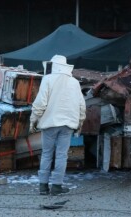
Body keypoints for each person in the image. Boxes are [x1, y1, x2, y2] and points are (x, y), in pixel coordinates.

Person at [29, 54, 86, 196]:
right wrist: (80, 123)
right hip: (68, 125)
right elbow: (81, 105)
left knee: (47, 154)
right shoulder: (74, 82)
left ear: (52, 65)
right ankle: (56, 187)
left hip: (49, 124)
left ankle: (43, 187)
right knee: (62, 156)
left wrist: (33, 120)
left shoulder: (47, 79)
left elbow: (40, 103)